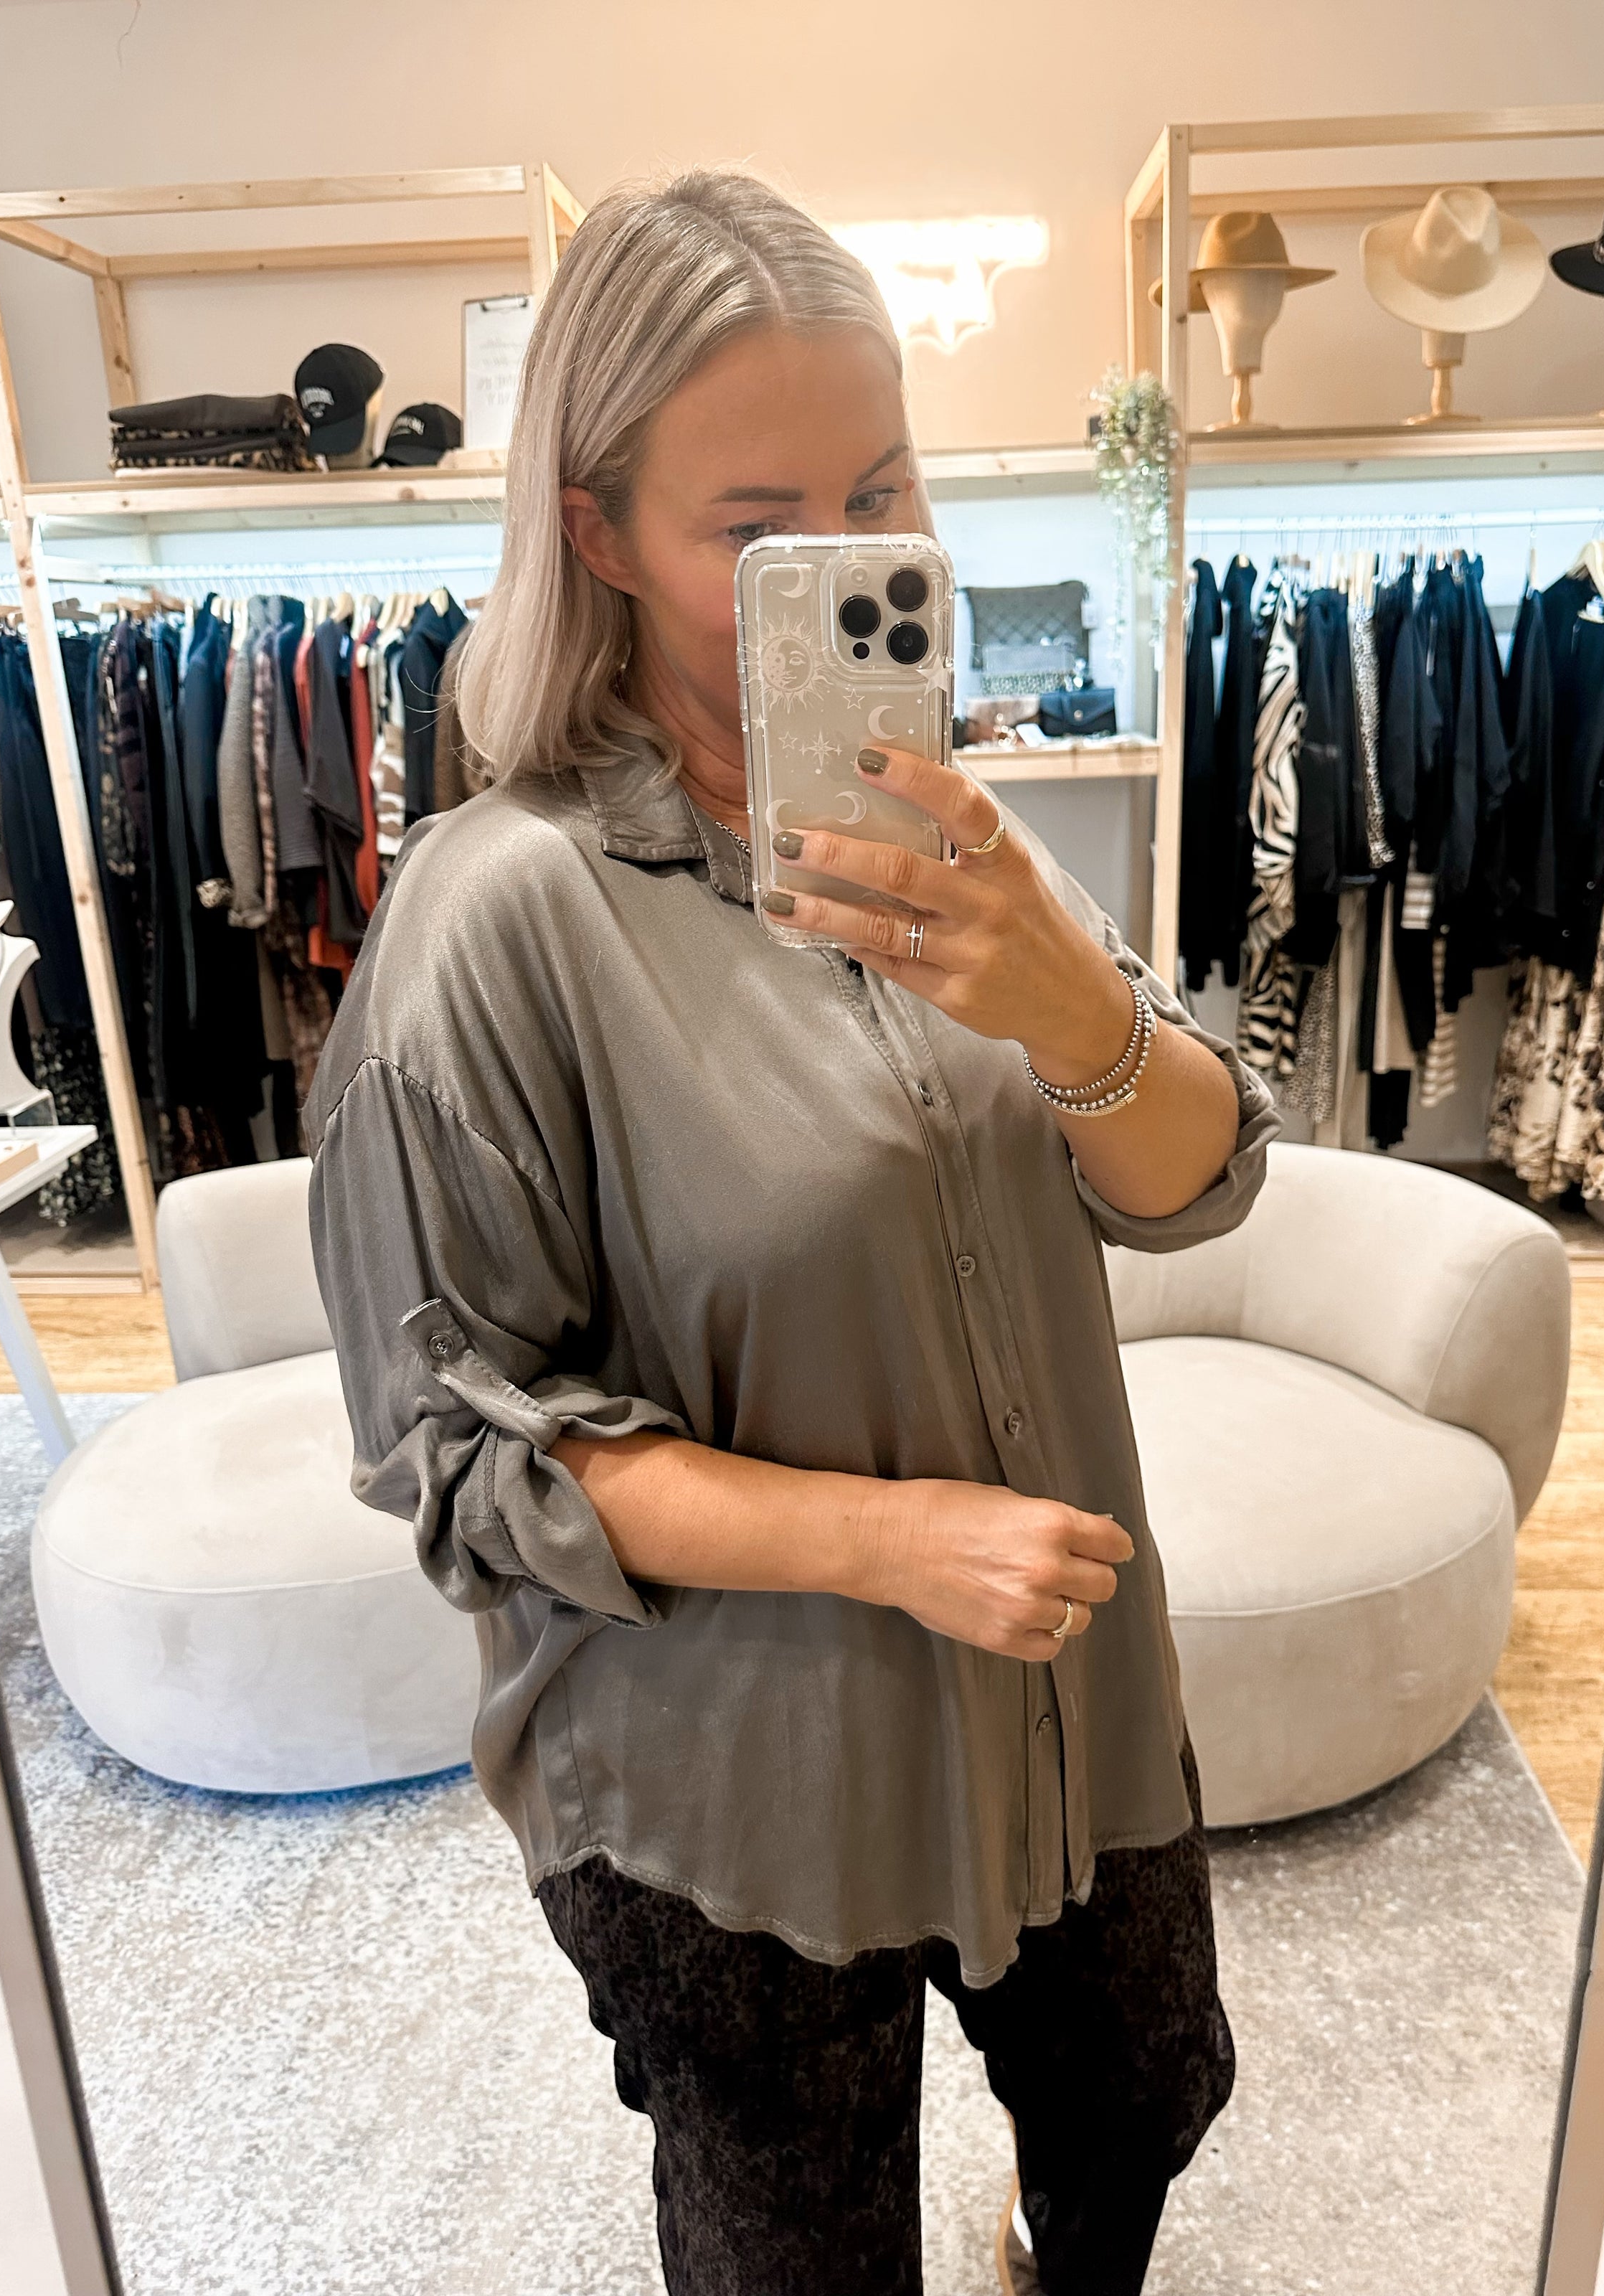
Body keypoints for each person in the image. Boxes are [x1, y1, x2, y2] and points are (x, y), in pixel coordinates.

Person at [306, 168, 1278, 2296]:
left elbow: (1196, 1182)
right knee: (795, 2252)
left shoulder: (962, 841)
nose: (849, 556)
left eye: (883, 489)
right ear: (599, 534)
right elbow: (461, 1460)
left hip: (1066, 1692)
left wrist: (1079, 1012)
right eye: (760, 527)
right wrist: (890, 1539)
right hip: (741, 1776)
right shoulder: (500, 924)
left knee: (1146, 2092)